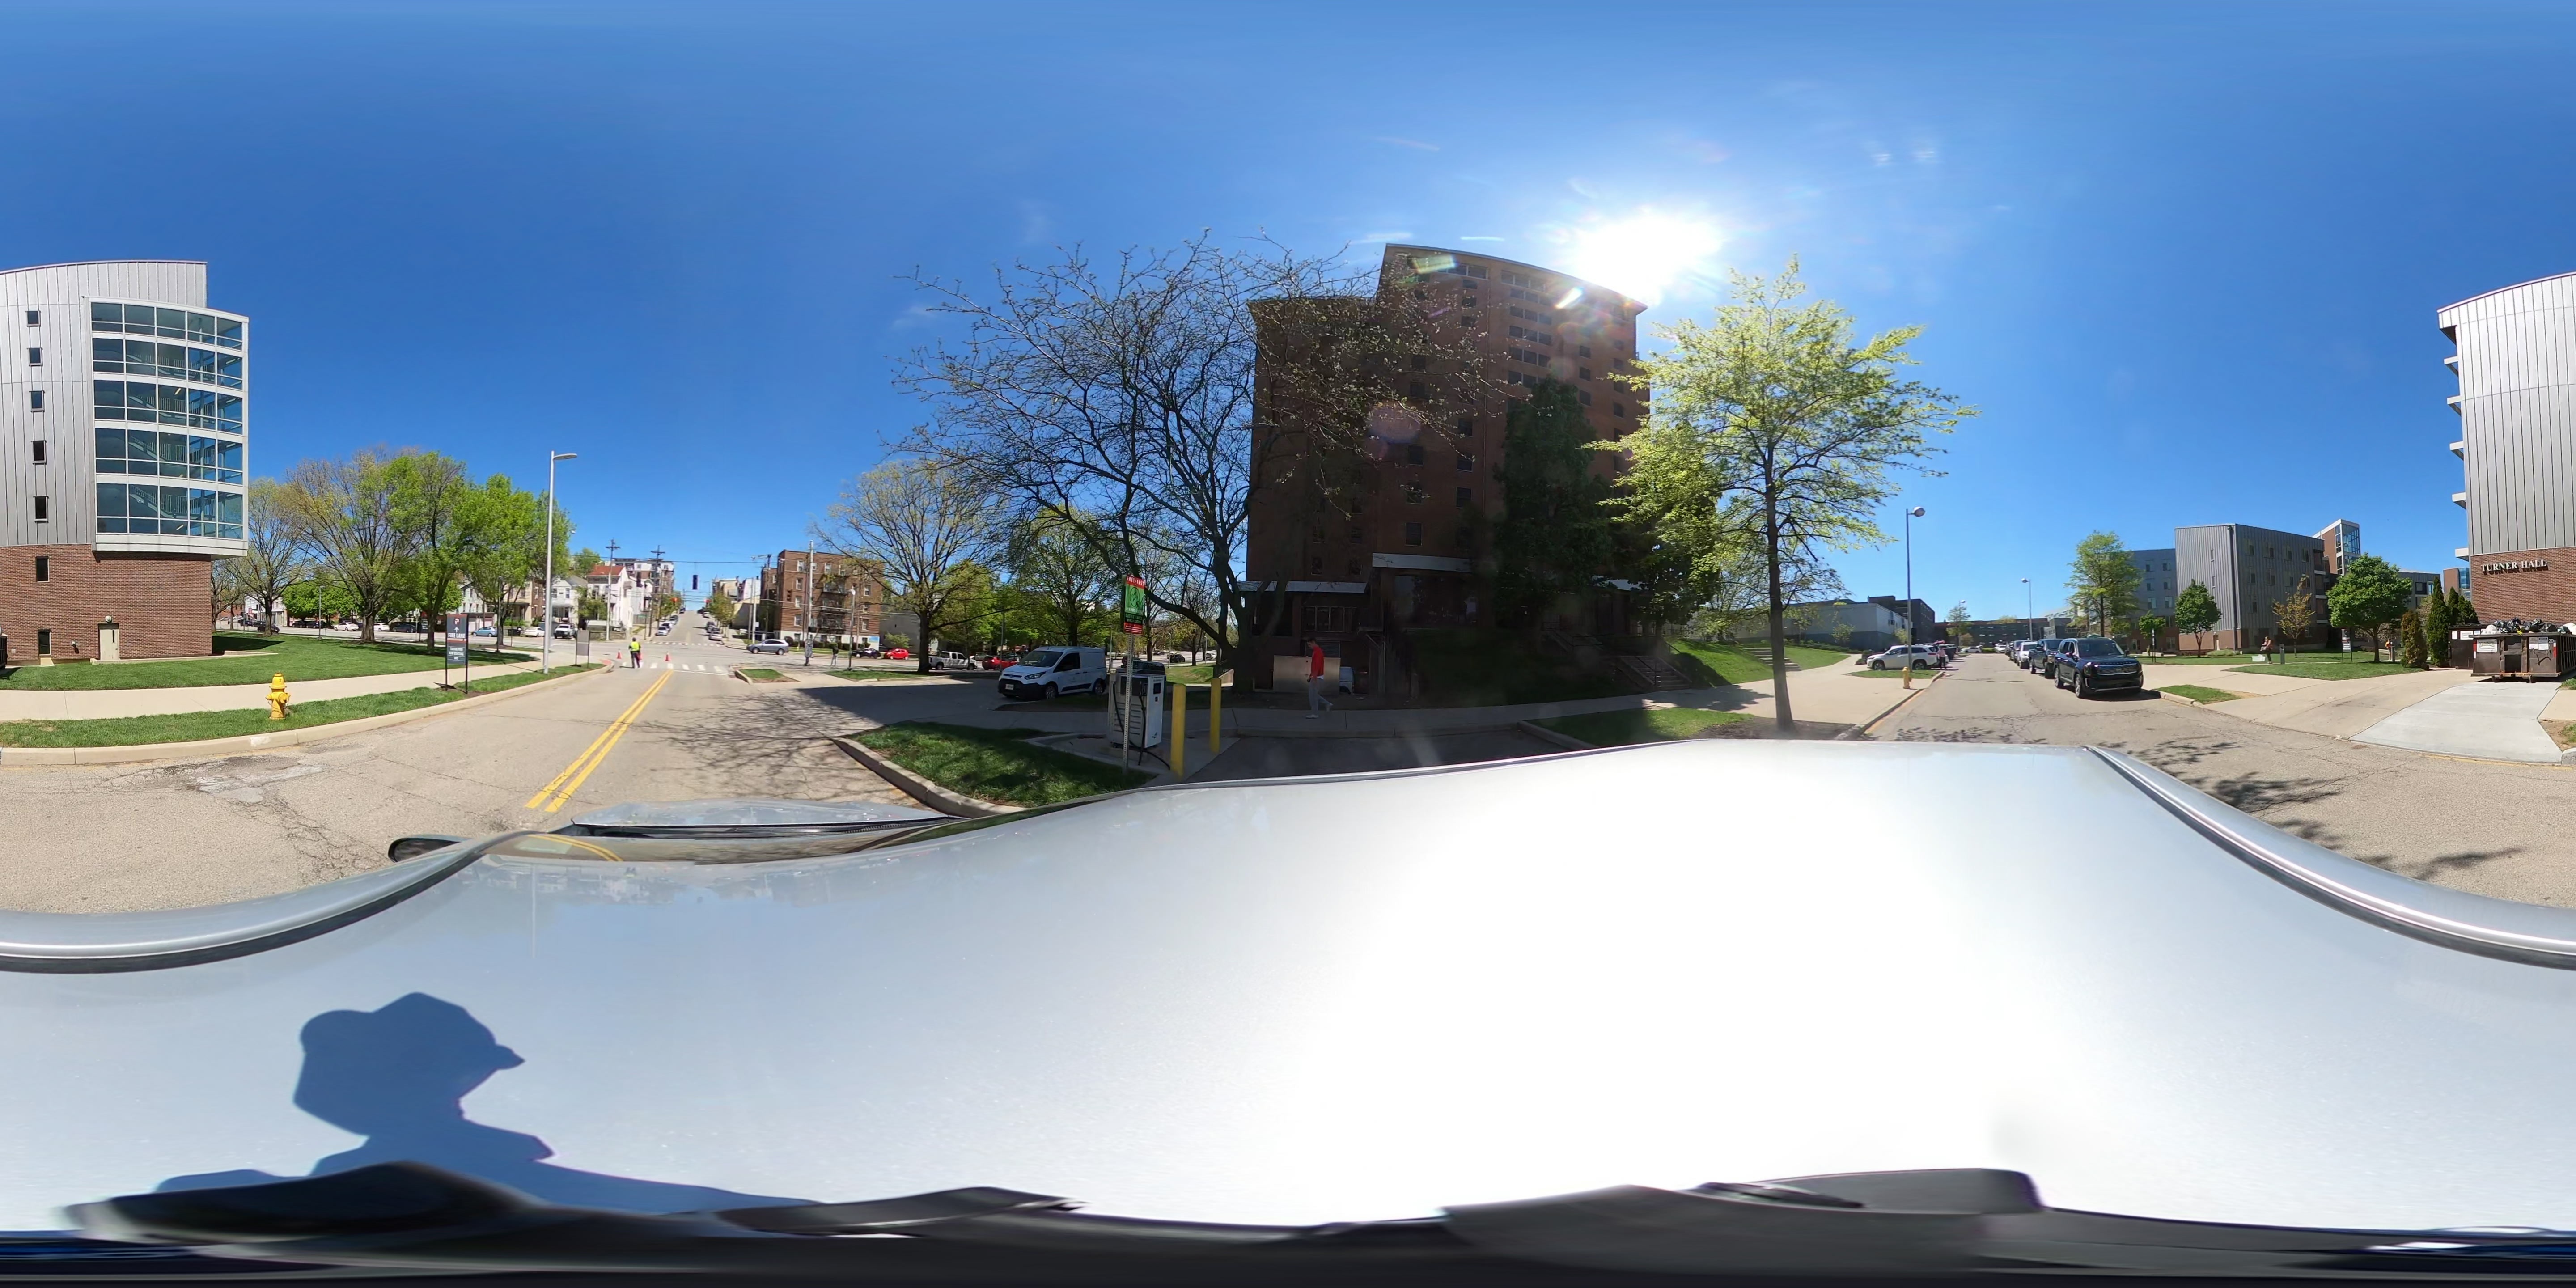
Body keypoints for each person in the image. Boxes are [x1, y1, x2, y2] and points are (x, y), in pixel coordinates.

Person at [1305, 637, 1331, 718]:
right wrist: (1311, 676)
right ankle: (1327, 704)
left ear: (1313, 642)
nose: (1309, 646)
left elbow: (1317, 665)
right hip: (1317, 676)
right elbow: (1315, 666)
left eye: (1310, 645)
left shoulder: (1318, 652)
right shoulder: (1317, 652)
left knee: (1313, 696)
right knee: (1314, 695)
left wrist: (1314, 677)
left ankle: (1315, 713)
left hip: (1318, 676)